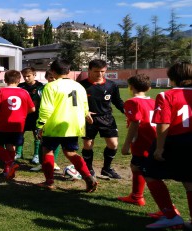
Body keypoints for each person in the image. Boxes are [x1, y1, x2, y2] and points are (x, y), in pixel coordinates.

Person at [36, 59, 97, 192]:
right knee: (70, 152)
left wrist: (40, 125)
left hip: (55, 125)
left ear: (52, 71)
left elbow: (46, 108)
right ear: (69, 71)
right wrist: (87, 114)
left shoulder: (50, 86)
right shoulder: (79, 86)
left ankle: (49, 182)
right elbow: (84, 105)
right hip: (73, 124)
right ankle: (87, 176)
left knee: (47, 150)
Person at [144, 62, 192, 229]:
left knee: (150, 173)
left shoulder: (166, 95)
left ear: (172, 78)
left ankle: (170, 215)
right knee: (189, 181)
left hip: (175, 141)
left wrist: (159, 148)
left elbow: (163, 123)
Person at [0, 70, 35, 180]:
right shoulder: (24, 92)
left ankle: (10, 163)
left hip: (3, 124)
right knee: (11, 146)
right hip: (18, 125)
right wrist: (21, 113)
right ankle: (8, 172)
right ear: (19, 80)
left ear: (5, 80)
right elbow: (32, 109)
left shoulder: (1, 91)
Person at [78, 59, 124, 179]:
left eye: (102, 71)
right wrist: (85, 112)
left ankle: (106, 169)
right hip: (89, 119)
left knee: (113, 144)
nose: (99, 74)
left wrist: (128, 113)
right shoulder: (81, 86)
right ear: (89, 70)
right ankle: (89, 169)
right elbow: (74, 103)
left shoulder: (111, 85)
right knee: (88, 145)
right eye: (96, 71)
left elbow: (118, 102)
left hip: (107, 118)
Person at [118, 74, 156, 206]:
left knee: (140, 168)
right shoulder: (153, 102)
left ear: (131, 87)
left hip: (141, 140)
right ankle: (136, 196)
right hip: (154, 139)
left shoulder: (132, 102)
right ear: (149, 88)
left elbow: (135, 123)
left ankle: (137, 197)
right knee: (139, 167)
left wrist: (126, 144)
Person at [30, 70, 61, 172]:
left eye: (55, 77)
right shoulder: (40, 90)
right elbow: (35, 104)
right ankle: (41, 163)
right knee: (41, 140)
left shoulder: (62, 89)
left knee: (56, 141)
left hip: (58, 119)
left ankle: (53, 162)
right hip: (43, 119)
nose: (53, 79)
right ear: (46, 78)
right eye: (51, 77)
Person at [15, 67, 44, 164]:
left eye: (28, 76)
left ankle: (36, 155)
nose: (26, 78)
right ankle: (18, 153)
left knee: (36, 135)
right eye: (24, 76)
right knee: (20, 133)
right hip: (22, 115)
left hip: (35, 115)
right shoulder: (20, 86)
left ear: (34, 75)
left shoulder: (40, 86)